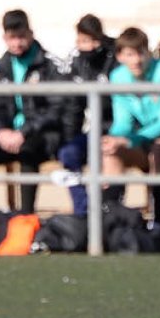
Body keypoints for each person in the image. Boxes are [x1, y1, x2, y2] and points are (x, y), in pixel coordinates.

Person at [101, 27, 160, 220]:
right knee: (112, 152)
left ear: (148, 52)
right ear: (119, 56)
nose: (136, 60)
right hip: (146, 136)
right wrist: (114, 139)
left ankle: (159, 221)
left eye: (140, 53)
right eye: (130, 54)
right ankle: (111, 219)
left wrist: (130, 141)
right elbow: (122, 122)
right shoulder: (118, 77)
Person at [0, 9, 69, 214]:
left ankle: (26, 218)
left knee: (27, 151)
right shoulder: (3, 66)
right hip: (9, 134)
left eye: (21, 37)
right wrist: (0, 131)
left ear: (31, 33)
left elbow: (55, 109)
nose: (17, 43)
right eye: (12, 38)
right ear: (4, 38)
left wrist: (24, 131)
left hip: (43, 135)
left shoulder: (49, 65)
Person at [57, 14, 119, 216]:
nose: (87, 46)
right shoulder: (76, 61)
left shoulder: (115, 57)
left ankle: (111, 211)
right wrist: (69, 138)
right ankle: (83, 211)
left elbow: (123, 104)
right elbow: (72, 106)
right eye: (82, 41)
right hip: (93, 131)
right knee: (69, 153)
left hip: (117, 130)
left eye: (91, 40)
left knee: (108, 155)